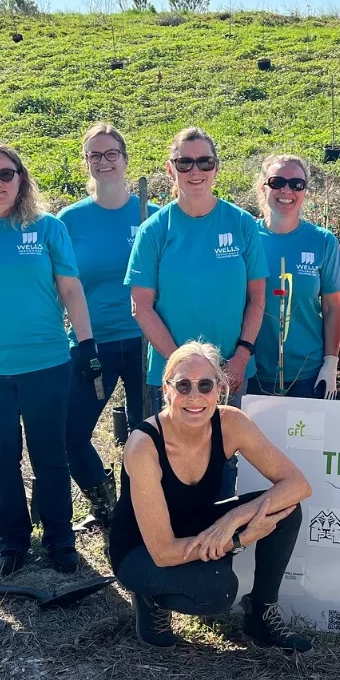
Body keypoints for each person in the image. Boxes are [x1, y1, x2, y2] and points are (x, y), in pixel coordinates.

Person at [0, 142, 102, 577]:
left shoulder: (46, 228)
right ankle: (13, 540)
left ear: (21, 179)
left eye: (5, 174)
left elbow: (70, 290)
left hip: (45, 363)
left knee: (50, 455)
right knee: (0, 458)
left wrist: (86, 345)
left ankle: (60, 539)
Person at [109, 342, 313, 650]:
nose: (194, 396)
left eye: (205, 385)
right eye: (183, 385)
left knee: (284, 510)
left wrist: (234, 518)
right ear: (166, 390)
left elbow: (297, 484)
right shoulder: (144, 445)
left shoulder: (231, 422)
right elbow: (163, 551)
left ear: (219, 388)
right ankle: (151, 597)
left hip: (194, 526)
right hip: (142, 550)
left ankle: (260, 615)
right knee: (217, 590)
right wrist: (236, 539)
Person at [126, 128, 267, 497]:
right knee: (174, 454)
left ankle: (219, 544)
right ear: (171, 170)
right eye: (184, 162)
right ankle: (175, 541)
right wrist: (182, 366)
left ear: (216, 167)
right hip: (175, 374)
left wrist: (241, 355)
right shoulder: (155, 229)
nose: (195, 170)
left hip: (231, 369)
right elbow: (141, 306)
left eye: (204, 161)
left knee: (226, 455)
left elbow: (257, 299)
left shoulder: (241, 224)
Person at [59, 123, 144, 525]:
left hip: (147, 342)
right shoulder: (69, 221)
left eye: (112, 153)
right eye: (95, 154)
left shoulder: (150, 216)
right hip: (92, 344)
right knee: (70, 435)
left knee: (147, 436)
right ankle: (104, 501)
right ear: (86, 162)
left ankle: (139, 509)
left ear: (126, 160)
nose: (104, 161)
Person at [249, 154, 340, 399]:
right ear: (264, 187)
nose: (287, 190)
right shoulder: (247, 237)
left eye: (296, 184)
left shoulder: (323, 241)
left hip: (308, 374)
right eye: (277, 182)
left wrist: (331, 362)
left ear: (304, 191)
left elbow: (333, 307)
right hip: (253, 372)